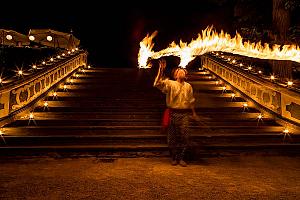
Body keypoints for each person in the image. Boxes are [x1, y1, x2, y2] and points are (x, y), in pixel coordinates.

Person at [153, 58, 199, 167]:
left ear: (186, 75)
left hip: (184, 115)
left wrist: (194, 113)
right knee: (171, 137)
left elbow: (191, 100)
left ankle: (181, 158)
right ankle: (174, 157)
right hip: (172, 113)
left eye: (183, 71)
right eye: (179, 71)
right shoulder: (170, 84)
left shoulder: (188, 86)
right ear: (175, 75)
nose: (181, 71)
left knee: (185, 137)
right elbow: (157, 83)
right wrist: (161, 69)